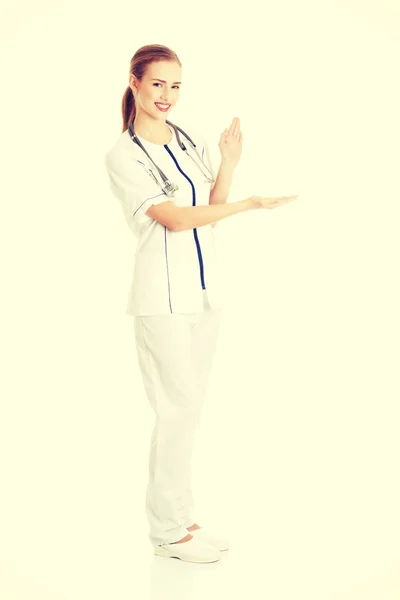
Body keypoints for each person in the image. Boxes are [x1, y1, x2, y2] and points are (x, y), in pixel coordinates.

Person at [104, 44, 298, 564]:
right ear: (135, 83)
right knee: (175, 412)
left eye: (176, 86)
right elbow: (173, 218)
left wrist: (230, 165)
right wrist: (250, 204)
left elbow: (208, 208)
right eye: (158, 84)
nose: (167, 95)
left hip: (205, 292)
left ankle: (181, 519)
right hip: (161, 297)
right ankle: (166, 532)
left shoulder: (186, 138)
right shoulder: (124, 154)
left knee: (189, 412)